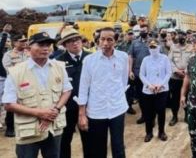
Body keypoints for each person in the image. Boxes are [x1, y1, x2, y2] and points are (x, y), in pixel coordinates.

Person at [2, 32, 72, 158]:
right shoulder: (16, 72)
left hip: (54, 127)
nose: (46, 48)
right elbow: (8, 104)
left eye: (48, 44)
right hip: (28, 130)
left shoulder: (59, 67)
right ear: (29, 48)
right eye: (40, 44)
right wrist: (40, 113)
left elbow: (67, 90)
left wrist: (56, 109)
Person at [78, 27, 129, 158]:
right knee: (98, 149)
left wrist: (116, 98)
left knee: (118, 147)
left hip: (117, 109)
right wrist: (82, 114)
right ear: (98, 41)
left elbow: (123, 82)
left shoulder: (123, 57)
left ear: (115, 41)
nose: (105, 43)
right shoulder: (89, 60)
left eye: (109, 40)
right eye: (102, 39)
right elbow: (83, 88)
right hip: (96, 111)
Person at [55, 27, 90, 158]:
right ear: (64, 45)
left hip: (88, 106)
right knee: (65, 141)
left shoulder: (91, 57)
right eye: (70, 41)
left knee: (89, 140)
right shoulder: (58, 61)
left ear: (81, 41)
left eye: (77, 40)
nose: (75, 43)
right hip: (67, 107)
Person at [139, 39, 171, 142]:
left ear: (159, 47)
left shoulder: (165, 58)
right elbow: (141, 74)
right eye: (151, 47)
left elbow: (168, 73)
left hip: (162, 90)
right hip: (148, 91)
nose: (153, 49)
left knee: (161, 112)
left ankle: (161, 132)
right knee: (148, 113)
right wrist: (149, 85)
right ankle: (149, 133)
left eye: (155, 47)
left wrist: (160, 85)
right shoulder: (145, 59)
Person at [2, 34, 29, 138]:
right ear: (15, 42)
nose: (24, 43)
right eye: (21, 41)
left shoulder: (29, 53)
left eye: (25, 41)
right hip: (14, 83)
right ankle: (10, 128)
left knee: (27, 103)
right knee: (12, 105)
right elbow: (9, 68)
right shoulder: (8, 55)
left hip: (28, 83)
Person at [168, 31, 193, 126]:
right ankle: (174, 116)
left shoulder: (191, 47)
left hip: (186, 78)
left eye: (183, 35)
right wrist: (176, 70)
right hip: (175, 78)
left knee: (187, 97)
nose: (181, 37)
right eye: (180, 35)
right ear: (177, 37)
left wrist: (185, 71)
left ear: (186, 37)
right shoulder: (173, 47)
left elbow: (192, 60)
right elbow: (169, 61)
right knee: (174, 98)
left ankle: (187, 115)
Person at [128, 24, 151, 124]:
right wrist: (130, 71)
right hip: (138, 74)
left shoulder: (153, 42)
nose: (143, 31)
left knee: (150, 97)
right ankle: (144, 116)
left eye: (144, 30)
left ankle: (151, 117)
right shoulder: (135, 43)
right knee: (141, 97)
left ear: (148, 30)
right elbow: (130, 57)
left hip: (150, 75)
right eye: (141, 30)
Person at [116, 30, 136, 115]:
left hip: (133, 70)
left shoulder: (135, 44)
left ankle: (129, 106)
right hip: (122, 70)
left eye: (132, 34)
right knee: (122, 89)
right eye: (129, 34)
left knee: (130, 89)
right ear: (126, 35)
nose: (130, 36)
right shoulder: (121, 45)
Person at [0, 24, 12, 132]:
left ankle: (8, 124)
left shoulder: (10, 53)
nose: (8, 43)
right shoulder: (1, 52)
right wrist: (4, 34)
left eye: (9, 41)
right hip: (0, 78)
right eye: (6, 41)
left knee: (8, 101)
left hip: (8, 78)